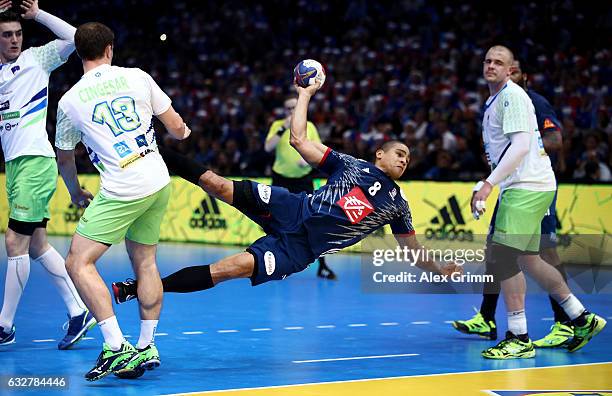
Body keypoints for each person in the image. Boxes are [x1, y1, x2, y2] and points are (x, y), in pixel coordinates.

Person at [112, 81, 462, 307]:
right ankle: (153, 149)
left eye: (408, 158)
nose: (404, 159)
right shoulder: (350, 164)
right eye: (398, 152)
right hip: (291, 208)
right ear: (379, 154)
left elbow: (413, 253)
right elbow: (299, 141)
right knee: (217, 184)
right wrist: (305, 94)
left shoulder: (397, 204)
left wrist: (440, 268)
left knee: (229, 269)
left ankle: (139, 287)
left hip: (299, 250)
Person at [55, 22, 190, 381]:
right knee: (145, 262)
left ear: (79, 54)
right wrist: (182, 131)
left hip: (121, 189)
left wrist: (74, 191)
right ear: (110, 49)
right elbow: (175, 126)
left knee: (78, 263)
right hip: (157, 181)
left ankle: (116, 347)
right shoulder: (137, 77)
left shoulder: (69, 102)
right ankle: (147, 345)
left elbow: (65, 158)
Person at [469, 45, 605, 359]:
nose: (491, 65)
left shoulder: (512, 96)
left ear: (510, 69)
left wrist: (490, 185)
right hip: (528, 185)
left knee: (503, 258)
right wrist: (488, 181)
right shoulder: (495, 100)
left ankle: (519, 337)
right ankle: (581, 318)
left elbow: (520, 146)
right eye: (487, 60)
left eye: (498, 62)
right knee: (530, 260)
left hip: (526, 187)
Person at [452, 59, 573, 349]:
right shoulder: (501, 105)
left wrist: (525, 148)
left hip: (533, 185)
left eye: (514, 70)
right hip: (512, 186)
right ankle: (487, 317)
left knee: (545, 251)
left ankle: (566, 322)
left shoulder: (532, 102)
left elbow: (555, 139)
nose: (507, 74)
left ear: (523, 76)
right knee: (496, 248)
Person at [0, 0, 95, 350]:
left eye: (18, 34)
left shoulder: (35, 60)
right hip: (14, 165)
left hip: (35, 161)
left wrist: (37, 15)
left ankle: (4, 326)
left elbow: (76, 38)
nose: (14, 40)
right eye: (7, 35)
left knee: (14, 242)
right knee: (37, 245)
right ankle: (77, 311)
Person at [265, 95, 336, 279]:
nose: (291, 111)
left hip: (303, 179)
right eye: (288, 108)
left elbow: (320, 150)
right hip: (280, 179)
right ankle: (276, 264)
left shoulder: (309, 126)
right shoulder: (277, 125)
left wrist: (309, 161)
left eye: (294, 108)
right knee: (276, 223)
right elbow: (267, 148)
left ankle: (322, 266)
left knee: (313, 219)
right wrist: (283, 128)